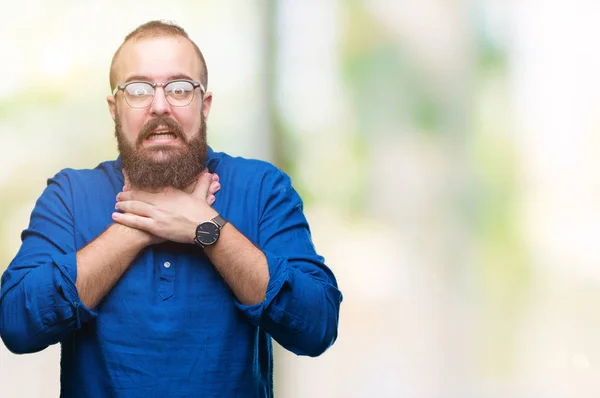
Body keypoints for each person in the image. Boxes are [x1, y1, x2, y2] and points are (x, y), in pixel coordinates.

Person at [0, 20, 342, 397]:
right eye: (138, 89)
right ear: (114, 109)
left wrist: (207, 228)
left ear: (204, 104)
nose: (160, 106)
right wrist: (136, 227)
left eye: (180, 88)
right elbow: (17, 325)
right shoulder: (70, 194)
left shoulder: (262, 188)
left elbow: (317, 327)